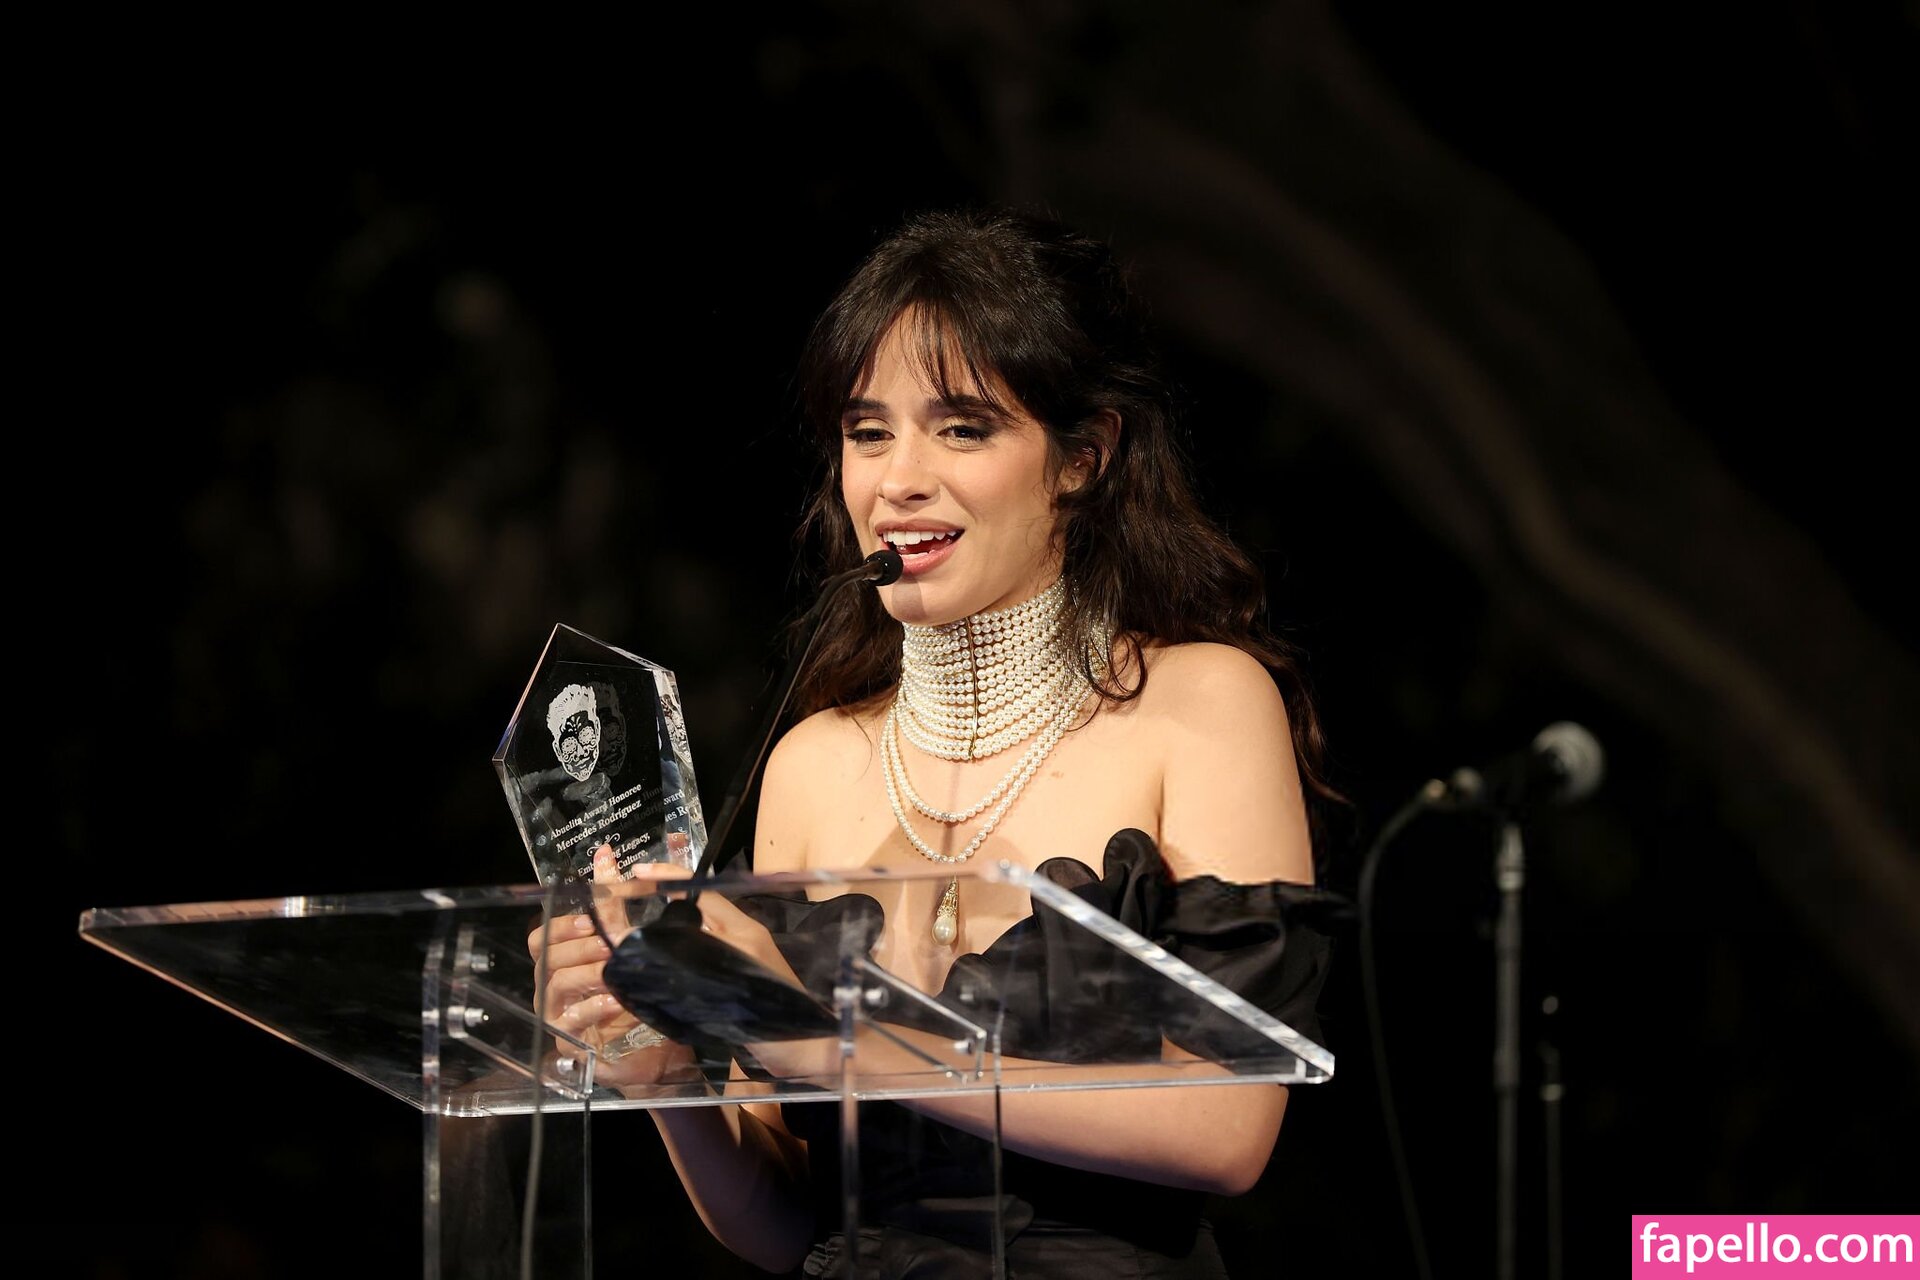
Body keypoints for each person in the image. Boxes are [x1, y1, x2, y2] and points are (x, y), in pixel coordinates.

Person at [532, 206, 1340, 1277]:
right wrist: (665, 1074)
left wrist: (835, 1038)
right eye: (868, 432)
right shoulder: (810, 763)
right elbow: (786, 1222)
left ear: (1083, 457)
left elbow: (1229, 1129)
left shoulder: (1202, 704)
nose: (897, 480)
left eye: (962, 427)